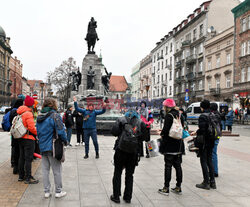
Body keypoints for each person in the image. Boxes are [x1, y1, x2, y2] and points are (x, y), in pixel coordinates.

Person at [110, 109, 147, 203]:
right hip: (133, 152)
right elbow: (145, 137)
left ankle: (116, 196)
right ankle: (127, 197)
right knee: (129, 175)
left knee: (117, 172)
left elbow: (114, 132)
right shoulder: (140, 122)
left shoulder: (121, 119)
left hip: (120, 150)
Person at [36, 98, 68, 198]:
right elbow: (61, 131)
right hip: (53, 146)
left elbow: (38, 131)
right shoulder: (55, 116)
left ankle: (46, 191)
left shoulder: (39, 116)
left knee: (45, 170)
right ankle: (58, 191)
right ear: (53, 104)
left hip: (42, 146)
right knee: (56, 170)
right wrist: (65, 141)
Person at [158, 99, 185, 196]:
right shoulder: (179, 115)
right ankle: (178, 187)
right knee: (178, 166)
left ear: (167, 107)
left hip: (170, 144)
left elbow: (165, 131)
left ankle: (166, 188)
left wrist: (161, 134)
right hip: (179, 145)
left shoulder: (169, 116)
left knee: (168, 166)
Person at [191, 100, 216, 190]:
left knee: (203, 161)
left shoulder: (203, 116)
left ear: (202, 107)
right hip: (212, 140)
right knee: (210, 160)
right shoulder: (213, 114)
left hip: (204, 141)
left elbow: (202, 129)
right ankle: (213, 182)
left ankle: (206, 182)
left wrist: (196, 132)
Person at [17, 95, 39, 184]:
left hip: (21, 137)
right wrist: (38, 133)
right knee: (28, 158)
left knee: (21, 157)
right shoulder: (28, 113)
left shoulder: (20, 112)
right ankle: (28, 177)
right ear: (31, 105)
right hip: (28, 138)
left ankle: (21, 176)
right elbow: (31, 127)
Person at [9, 98, 24, 174]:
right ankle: (18, 167)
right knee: (19, 150)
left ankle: (14, 165)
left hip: (13, 132)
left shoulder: (11, 111)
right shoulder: (19, 112)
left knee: (14, 148)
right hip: (19, 133)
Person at [210, 103, 221, 178]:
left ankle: (214, 171)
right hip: (217, 136)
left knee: (212, 154)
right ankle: (215, 171)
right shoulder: (218, 115)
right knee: (214, 153)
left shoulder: (212, 116)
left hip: (213, 137)